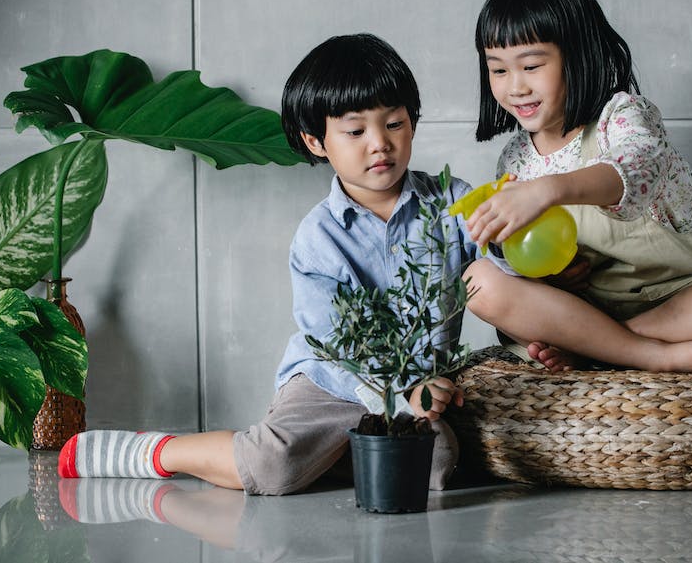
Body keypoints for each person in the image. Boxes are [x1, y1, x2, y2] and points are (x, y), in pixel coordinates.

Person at [57, 34, 478, 494]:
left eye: (394, 123)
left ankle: (329, 455)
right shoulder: (319, 238)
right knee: (274, 464)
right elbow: (334, 346)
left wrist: (516, 221)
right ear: (316, 142)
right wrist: (397, 398)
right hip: (330, 384)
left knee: (438, 465)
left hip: (415, 392)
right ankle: (160, 451)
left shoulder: (452, 202)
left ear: (412, 124)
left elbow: (500, 271)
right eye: (356, 131)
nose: (380, 143)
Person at [463, 0, 692, 378]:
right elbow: (526, 262)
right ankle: (656, 356)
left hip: (678, 303)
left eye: (531, 66)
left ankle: (609, 348)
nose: (515, 87)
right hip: (582, 311)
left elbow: (634, 172)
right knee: (479, 281)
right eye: (498, 69)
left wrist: (547, 191)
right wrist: (553, 278)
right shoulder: (515, 160)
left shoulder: (624, 116)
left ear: (578, 55)